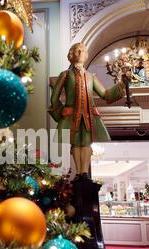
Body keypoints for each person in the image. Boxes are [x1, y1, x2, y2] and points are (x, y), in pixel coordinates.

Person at [50, 43, 127, 181]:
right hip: (72, 116)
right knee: (75, 143)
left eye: (83, 50)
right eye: (77, 50)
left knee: (86, 143)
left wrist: (121, 84)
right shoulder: (65, 75)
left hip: (88, 116)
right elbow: (54, 98)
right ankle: (78, 172)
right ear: (71, 55)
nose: (80, 52)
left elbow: (105, 94)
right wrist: (60, 113)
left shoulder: (91, 77)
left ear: (86, 55)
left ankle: (84, 172)